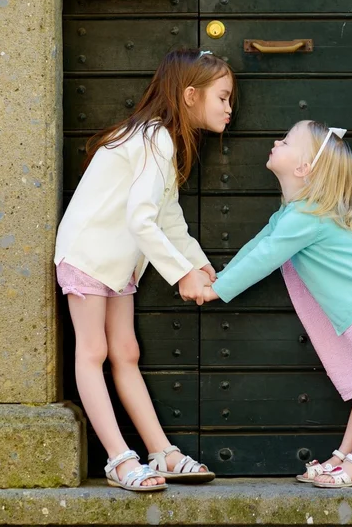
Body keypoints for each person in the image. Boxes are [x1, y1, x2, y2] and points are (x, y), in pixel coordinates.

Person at [54, 49, 235, 492]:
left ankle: (164, 453)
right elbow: (141, 219)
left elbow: (166, 214)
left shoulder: (161, 139)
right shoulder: (156, 137)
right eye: (224, 98)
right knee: (93, 352)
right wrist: (181, 274)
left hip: (118, 262)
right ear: (191, 95)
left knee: (126, 353)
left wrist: (197, 262)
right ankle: (119, 460)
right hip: (90, 254)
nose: (230, 109)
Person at [201, 120, 352, 488]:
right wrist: (219, 279)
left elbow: (265, 256)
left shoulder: (305, 218)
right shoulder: (294, 214)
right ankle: (344, 457)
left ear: (303, 168)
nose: (275, 141)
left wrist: (216, 290)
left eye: (284, 141)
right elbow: (259, 246)